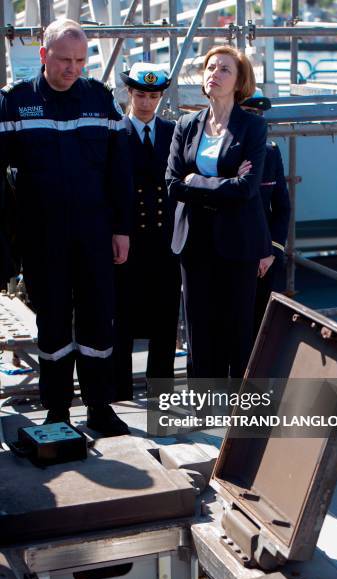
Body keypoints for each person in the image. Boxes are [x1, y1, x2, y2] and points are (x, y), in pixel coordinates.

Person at [0, 19, 132, 435]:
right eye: (64, 60)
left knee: (98, 320)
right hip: (42, 236)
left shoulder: (99, 99)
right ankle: (57, 411)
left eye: (80, 60)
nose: (73, 68)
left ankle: (99, 407)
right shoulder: (15, 103)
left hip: (94, 233)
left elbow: (119, 171)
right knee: (53, 323)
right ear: (43, 56)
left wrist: (122, 229)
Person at [166, 46, 271, 381]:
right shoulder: (186, 125)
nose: (214, 73)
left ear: (240, 81)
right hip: (194, 239)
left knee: (237, 324)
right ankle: (204, 402)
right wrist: (222, 182)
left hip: (238, 239)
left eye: (225, 69)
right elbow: (172, 184)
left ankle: (238, 409)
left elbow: (247, 188)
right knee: (199, 325)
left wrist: (197, 180)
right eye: (210, 67)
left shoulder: (251, 128)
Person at [112, 63, 180, 399]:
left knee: (165, 320)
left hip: (164, 240)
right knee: (122, 319)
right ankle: (120, 393)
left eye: (153, 95)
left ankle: (160, 393)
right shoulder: (115, 133)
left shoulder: (172, 132)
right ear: (129, 93)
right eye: (140, 94)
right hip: (128, 239)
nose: (146, 102)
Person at [241, 91, 291, 337]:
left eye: (260, 115)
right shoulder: (218, 154)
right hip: (231, 256)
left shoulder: (271, 153)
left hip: (264, 258)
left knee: (262, 330)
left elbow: (282, 207)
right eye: (250, 113)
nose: (257, 120)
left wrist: (271, 252)